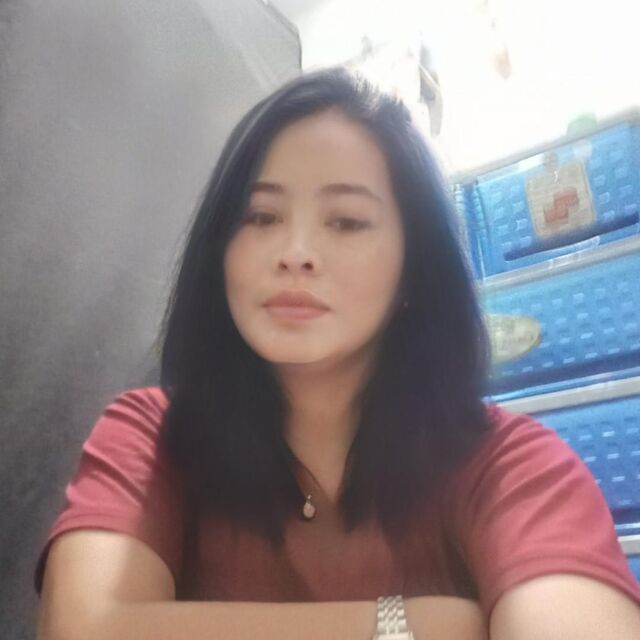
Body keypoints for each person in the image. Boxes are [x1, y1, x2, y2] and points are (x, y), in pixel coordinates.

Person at [34, 66, 640, 640]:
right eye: (261, 216)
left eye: (347, 221)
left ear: (413, 270)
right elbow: (86, 629)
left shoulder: (512, 466)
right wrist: (420, 624)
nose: (295, 252)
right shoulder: (150, 436)